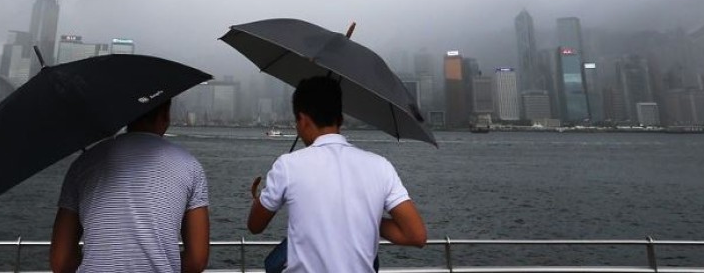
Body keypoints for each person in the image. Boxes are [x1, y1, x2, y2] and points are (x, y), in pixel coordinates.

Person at [247, 76, 427, 272]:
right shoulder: (380, 166)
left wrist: (259, 199)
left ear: (304, 120)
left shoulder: (288, 165)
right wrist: (362, 216)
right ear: (340, 118)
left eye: (296, 122)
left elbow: (255, 226)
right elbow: (415, 235)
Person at [50, 98, 210, 273]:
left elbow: (61, 262)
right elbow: (196, 261)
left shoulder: (84, 164)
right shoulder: (190, 166)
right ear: (165, 114)